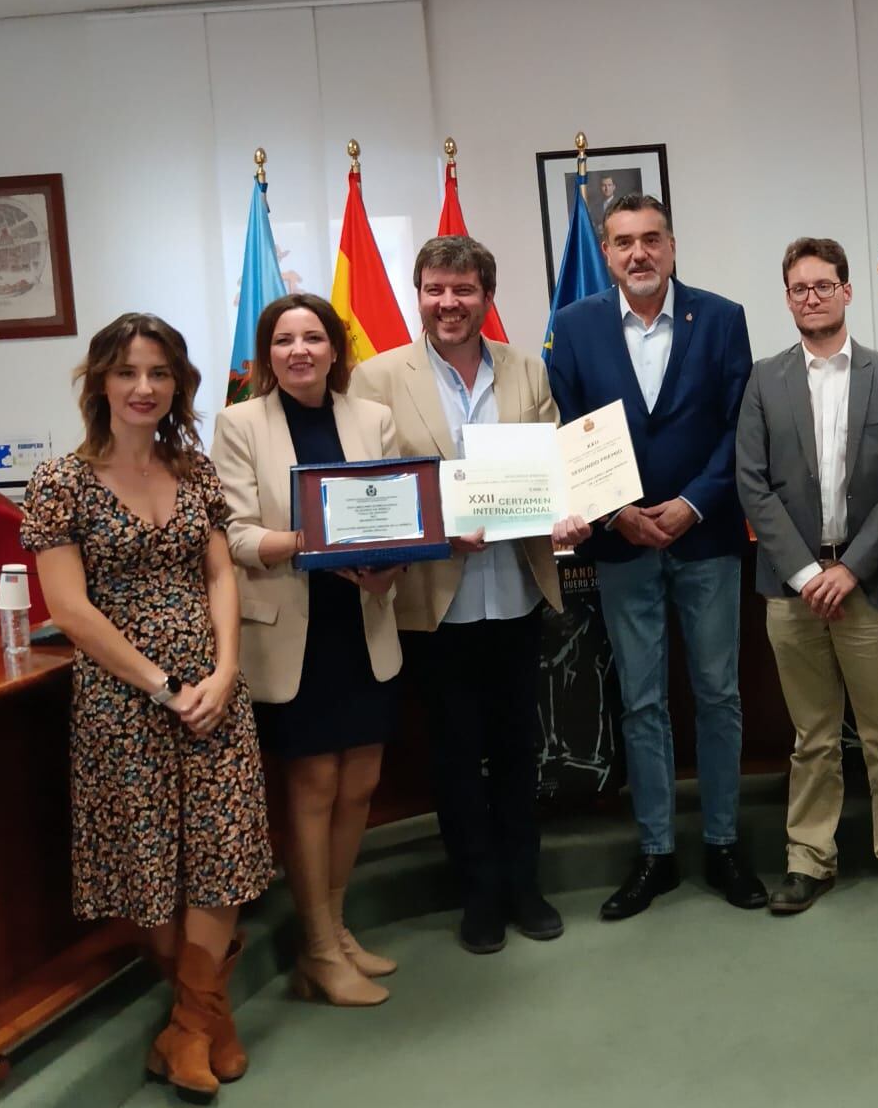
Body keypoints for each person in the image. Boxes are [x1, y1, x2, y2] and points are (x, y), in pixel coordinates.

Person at [22, 313, 272, 1104]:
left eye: (159, 373)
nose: (143, 388)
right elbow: (71, 609)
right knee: (149, 863)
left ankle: (189, 1026)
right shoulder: (59, 482)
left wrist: (226, 671)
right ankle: (202, 1021)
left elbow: (221, 575)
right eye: (127, 372)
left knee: (221, 852)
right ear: (99, 380)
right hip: (126, 701)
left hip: (214, 691)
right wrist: (162, 685)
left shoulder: (194, 470)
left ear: (178, 384)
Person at [545, 192, 767, 917]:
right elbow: (571, 428)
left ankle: (725, 845)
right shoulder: (574, 328)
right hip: (622, 545)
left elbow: (740, 426)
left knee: (719, 696)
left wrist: (694, 501)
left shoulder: (723, 318)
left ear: (672, 247)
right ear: (605, 254)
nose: (637, 254)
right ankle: (656, 853)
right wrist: (617, 514)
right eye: (622, 242)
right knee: (642, 703)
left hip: (705, 536)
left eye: (650, 240)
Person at [352, 236, 570, 954]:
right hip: (433, 601)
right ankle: (477, 893)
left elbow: (551, 469)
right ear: (418, 294)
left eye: (464, 290)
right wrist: (442, 529)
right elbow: (374, 490)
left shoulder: (527, 369)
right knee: (451, 754)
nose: (449, 303)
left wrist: (565, 506)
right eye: (435, 289)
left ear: (486, 297)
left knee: (516, 749)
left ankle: (523, 885)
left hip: (515, 591)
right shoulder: (378, 378)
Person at [211, 293, 403, 1008]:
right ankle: (316, 949)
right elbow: (231, 534)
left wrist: (392, 562)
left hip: (362, 621)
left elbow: (394, 513)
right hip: (293, 628)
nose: (300, 350)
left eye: (313, 337)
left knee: (360, 781)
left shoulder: (371, 418)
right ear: (268, 354)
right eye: (285, 340)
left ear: (334, 349)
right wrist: (306, 542)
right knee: (314, 784)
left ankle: (338, 926)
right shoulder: (239, 424)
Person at [735, 236, 878, 914]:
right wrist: (802, 571)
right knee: (812, 736)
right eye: (799, 288)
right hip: (792, 588)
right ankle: (810, 858)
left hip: (866, 580)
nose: (812, 297)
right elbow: (752, 484)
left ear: (849, 292)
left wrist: (849, 568)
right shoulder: (765, 379)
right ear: (787, 298)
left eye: (824, 285)